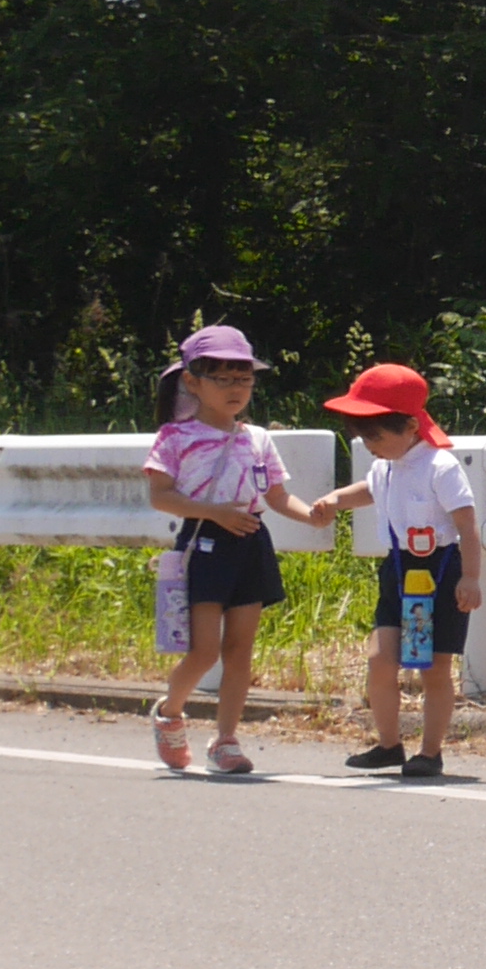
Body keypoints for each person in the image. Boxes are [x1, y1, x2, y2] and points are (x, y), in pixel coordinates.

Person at [142, 323, 330, 777]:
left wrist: (313, 514)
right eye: (222, 379)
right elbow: (160, 495)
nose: (235, 389)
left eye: (243, 379)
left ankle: (226, 740)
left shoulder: (258, 438)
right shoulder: (174, 437)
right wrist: (213, 512)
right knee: (205, 650)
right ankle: (170, 713)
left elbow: (278, 496)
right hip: (204, 543)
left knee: (241, 650)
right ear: (192, 382)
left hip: (250, 542)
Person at [325, 359, 478, 780]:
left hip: (441, 571)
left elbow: (466, 523)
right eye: (362, 435)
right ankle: (389, 744)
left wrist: (471, 577)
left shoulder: (440, 466)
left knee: (434, 669)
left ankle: (430, 752)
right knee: (380, 659)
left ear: (410, 426)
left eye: (375, 434)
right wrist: (335, 500)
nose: (368, 444)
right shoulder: (385, 466)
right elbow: (367, 490)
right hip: (397, 570)